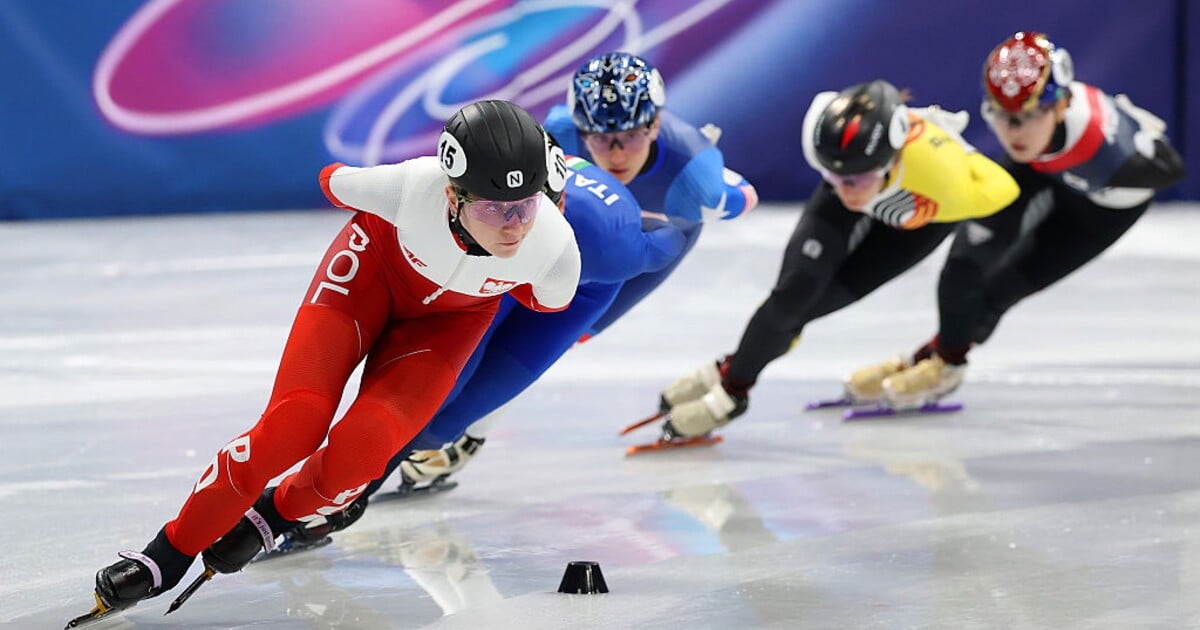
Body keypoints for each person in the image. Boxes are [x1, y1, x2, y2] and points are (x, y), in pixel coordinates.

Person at [72, 100, 581, 621]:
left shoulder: (555, 249)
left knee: (361, 455)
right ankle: (167, 554)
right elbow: (333, 180)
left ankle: (271, 515)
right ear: (452, 195)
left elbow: (550, 302)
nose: (513, 225)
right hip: (368, 278)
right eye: (492, 207)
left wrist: (273, 517)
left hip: (444, 328)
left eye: (524, 205)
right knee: (293, 425)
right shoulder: (412, 186)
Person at [376, 51, 759, 488]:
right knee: (484, 323)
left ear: (655, 124)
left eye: (631, 135)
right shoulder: (557, 130)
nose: (615, 152)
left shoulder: (696, 174)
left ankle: (469, 437)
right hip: (572, 233)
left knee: (549, 344)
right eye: (599, 137)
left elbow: (743, 195)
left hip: (637, 258)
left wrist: (714, 197)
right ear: (579, 130)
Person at [656, 79, 1022, 439]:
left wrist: (963, 154)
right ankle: (733, 390)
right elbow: (842, 146)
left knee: (809, 308)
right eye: (834, 176)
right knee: (790, 298)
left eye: (856, 180)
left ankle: (730, 375)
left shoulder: (947, 183)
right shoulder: (826, 142)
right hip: (890, 178)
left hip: (917, 206)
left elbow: (1006, 189)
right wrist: (848, 178)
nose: (845, 190)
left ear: (888, 161)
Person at [847, 31, 1185, 408]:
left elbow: (1171, 167)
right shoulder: (1028, 134)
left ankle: (942, 363)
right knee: (961, 270)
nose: (1012, 132)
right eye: (1001, 116)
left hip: (1101, 210)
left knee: (999, 290)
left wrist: (1142, 141)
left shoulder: (1115, 156)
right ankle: (938, 357)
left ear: (1061, 107)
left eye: (1026, 117)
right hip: (1041, 168)